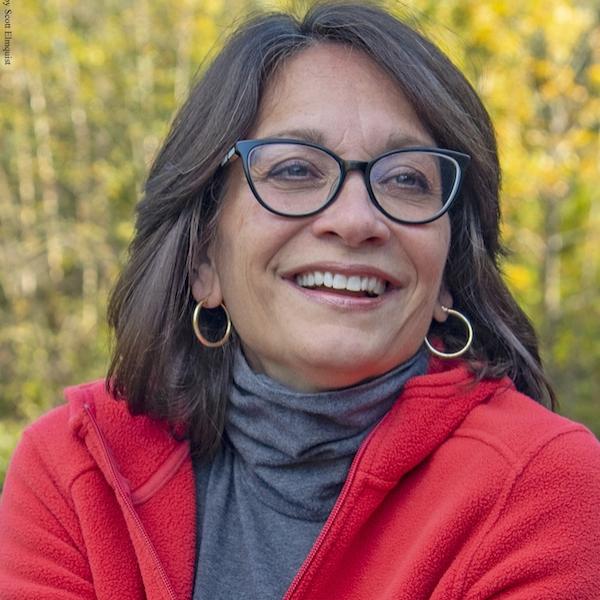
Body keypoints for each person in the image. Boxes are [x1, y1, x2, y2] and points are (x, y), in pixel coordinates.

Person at [1, 3, 599, 599]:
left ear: (447, 275)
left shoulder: (544, 485)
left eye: (407, 179)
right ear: (203, 258)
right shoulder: (77, 473)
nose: (356, 220)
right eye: (294, 170)